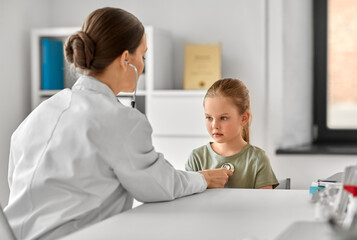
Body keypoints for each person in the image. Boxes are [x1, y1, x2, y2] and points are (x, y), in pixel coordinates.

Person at [4, 7, 232, 240]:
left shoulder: (40, 113)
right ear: (125, 59)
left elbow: (18, 184)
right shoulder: (119, 119)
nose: (142, 67)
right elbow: (159, 185)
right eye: (142, 56)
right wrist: (203, 178)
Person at [185, 78, 279, 189]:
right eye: (209, 117)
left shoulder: (258, 159)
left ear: (244, 118)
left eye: (223, 118)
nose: (215, 125)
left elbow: (265, 204)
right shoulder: (197, 158)